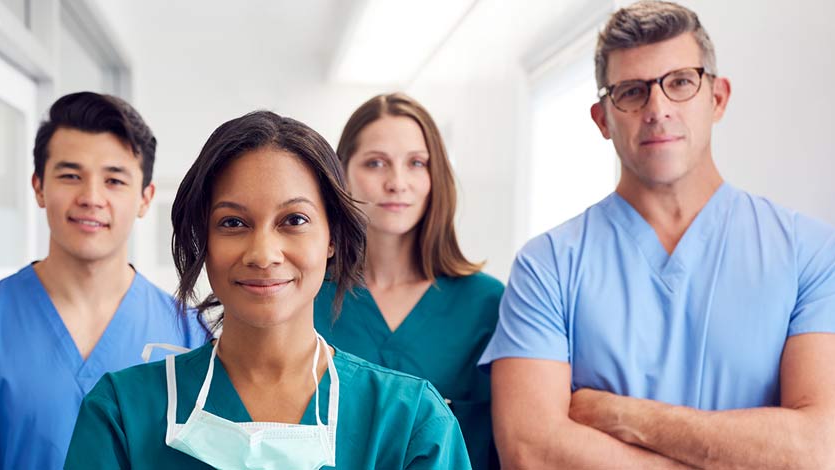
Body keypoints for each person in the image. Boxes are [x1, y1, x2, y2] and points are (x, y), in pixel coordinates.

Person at [480, 1, 835, 468]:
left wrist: (622, 415)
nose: (657, 108)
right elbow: (532, 452)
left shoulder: (808, 253)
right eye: (631, 91)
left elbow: (817, 447)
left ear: (718, 98)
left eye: (681, 82)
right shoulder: (547, 265)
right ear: (602, 119)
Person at [64, 110, 470, 469]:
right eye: (233, 223)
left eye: (293, 220)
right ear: (202, 239)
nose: (262, 254)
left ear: (331, 237)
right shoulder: (122, 413)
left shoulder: (408, 421)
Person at [0, 92, 207, 469]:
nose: (91, 197)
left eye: (114, 180)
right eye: (71, 176)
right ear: (39, 187)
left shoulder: (189, 337)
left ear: (145, 197)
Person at [314, 92, 503, 468]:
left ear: (436, 177)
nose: (397, 182)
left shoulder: (488, 305)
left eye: (416, 163)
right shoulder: (306, 300)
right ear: (342, 174)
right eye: (376, 163)